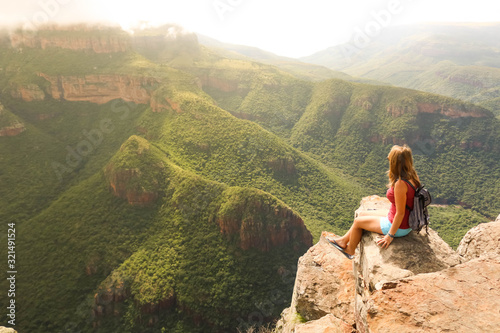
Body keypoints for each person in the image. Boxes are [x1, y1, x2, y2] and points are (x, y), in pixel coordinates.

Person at [326, 144, 421, 259]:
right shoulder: (413, 176)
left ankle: (350, 250)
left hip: (400, 226)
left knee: (358, 222)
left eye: (389, 158)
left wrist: (390, 235)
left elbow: (400, 213)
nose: (388, 159)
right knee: (362, 214)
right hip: (403, 219)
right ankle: (342, 240)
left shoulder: (400, 184)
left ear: (395, 163)